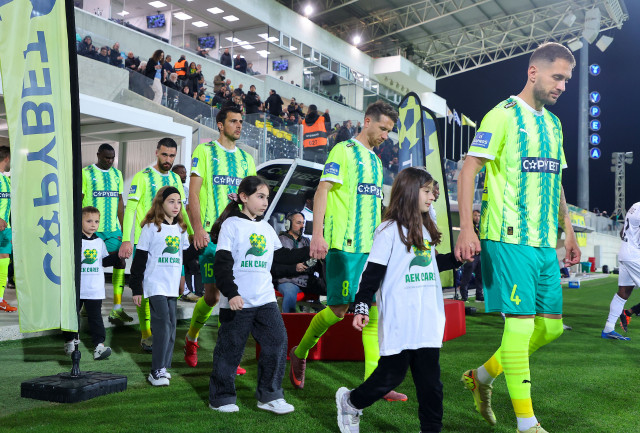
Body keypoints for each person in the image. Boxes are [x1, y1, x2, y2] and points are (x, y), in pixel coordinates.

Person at [456, 42, 581, 433]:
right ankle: (527, 424)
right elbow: (469, 169)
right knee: (521, 327)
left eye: (567, 80)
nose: (562, 86)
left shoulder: (554, 125)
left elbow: (556, 182)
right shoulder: (502, 115)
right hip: (507, 237)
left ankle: (481, 376)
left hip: (544, 243)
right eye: (557, 77)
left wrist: (569, 231)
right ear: (533, 72)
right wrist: (467, 227)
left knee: (551, 328)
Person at [289, 101, 407, 402]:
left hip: (372, 249)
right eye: (383, 128)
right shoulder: (343, 151)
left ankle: (374, 384)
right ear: (367, 121)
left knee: (373, 310)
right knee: (339, 311)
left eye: (389, 131)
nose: (385, 136)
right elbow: (323, 191)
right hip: (344, 246)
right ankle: (300, 351)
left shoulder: (376, 162)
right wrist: (317, 235)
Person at [336, 167, 462, 433]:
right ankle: (351, 402)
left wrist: (457, 259)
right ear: (410, 192)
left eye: (432, 192)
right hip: (400, 318)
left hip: (427, 319)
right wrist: (361, 306)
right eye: (427, 191)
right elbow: (372, 273)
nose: (432, 197)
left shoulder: (426, 227)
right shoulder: (388, 230)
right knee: (390, 377)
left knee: (431, 384)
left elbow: (430, 264)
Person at [209, 176, 307, 413]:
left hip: (265, 299)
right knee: (230, 349)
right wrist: (231, 293)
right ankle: (221, 398)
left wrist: (310, 252)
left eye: (267, 198)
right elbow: (221, 264)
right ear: (244, 197)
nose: (265, 202)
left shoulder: (266, 227)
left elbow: (282, 257)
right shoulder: (231, 225)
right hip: (237, 301)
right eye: (260, 196)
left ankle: (270, 396)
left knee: (277, 342)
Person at [183, 107, 256, 371]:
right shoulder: (204, 151)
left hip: (238, 236)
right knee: (212, 297)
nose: (239, 125)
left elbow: (251, 198)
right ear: (220, 125)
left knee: (233, 295)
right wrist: (197, 229)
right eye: (233, 121)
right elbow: (193, 193)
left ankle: (228, 355)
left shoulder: (247, 159)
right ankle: (191, 338)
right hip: (211, 236)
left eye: (241, 121)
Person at [118, 138, 191, 352]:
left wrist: (191, 234)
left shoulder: (176, 178)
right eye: (164, 154)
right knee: (144, 289)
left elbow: (182, 211)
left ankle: (160, 334)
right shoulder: (142, 177)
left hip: (171, 242)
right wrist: (126, 238)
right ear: (156, 153)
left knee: (169, 290)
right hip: (146, 242)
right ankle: (146, 334)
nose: (168, 159)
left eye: (172, 156)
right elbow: (131, 209)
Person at [130, 186, 200, 386]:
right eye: (171, 201)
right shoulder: (150, 227)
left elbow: (185, 257)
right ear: (161, 203)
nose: (176, 206)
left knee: (171, 327)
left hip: (171, 285)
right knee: (163, 326)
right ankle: (155, 371)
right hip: (155, 284)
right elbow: (140, 259)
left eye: (179, 202)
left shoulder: (180, 229)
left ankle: (163, 367)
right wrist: (136, 288)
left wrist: (200, 246)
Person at [63, 207, 120, 360]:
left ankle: (99, 346)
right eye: (89, 221)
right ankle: (70, 341)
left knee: (96, 318)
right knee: (71, 316)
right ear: (79, 221)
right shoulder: (74, 241)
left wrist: (118, 257)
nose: (93, 224)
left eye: (96, 221)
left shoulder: (100, 242)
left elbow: (104, 261)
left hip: (95, 289)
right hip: (76, 288)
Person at [81, 144, 129, 324]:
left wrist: (124, 230)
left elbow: (120, 201)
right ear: (98, 155)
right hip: (92, 228)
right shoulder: (86, 173)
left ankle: (117, 307)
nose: (109, 161)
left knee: (120, 259)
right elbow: (79, 200)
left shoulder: (117, 174)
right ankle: (86, 303)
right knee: (92, 263)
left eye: (112, 158)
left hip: (112, 229)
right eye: (106, 157)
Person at [601, 202, 640, 340]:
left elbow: (622, 232)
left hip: (625, 252)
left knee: (623, 293)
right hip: (635, 255)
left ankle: (608, 329)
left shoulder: (635, 206)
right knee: (623, 293)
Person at [274, 213, 311, 313]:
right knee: (290, 292)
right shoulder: (279, 241)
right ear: (288, 224)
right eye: (298, 223)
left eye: (303, 223)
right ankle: (289, 321)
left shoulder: (306, 241)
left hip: (305, 280)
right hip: (287, 281)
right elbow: (277, 266)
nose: (302, 226)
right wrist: (295, 267)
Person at [0, 147, 15, 312]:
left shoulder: (6, 179)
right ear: (7, 158)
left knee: (4, 259)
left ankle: (0, 299)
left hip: (6, 229)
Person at [459, 209, 483, 302]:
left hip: (479, 254)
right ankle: (464, 296)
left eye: (479, 216)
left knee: (480, 276)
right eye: (475, 215)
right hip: (471, 254)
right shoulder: (469, 227)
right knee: (467, 276)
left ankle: (479, 294)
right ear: (471, 216)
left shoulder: (480, 227)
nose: (477, 217)